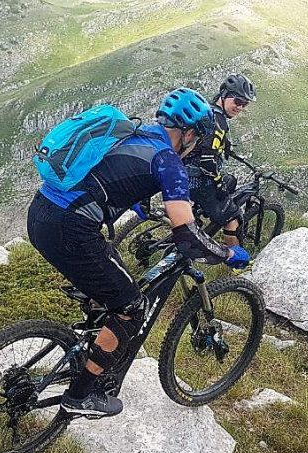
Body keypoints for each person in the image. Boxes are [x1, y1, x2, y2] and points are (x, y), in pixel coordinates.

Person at [27, 88, 250, 417]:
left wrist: (138, 201)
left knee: (111, 280)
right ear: (189, 134)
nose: (195, 146)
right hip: (70, 228)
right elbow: (187, 237)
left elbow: (117, 174)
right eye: (197, 139)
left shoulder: (135, 131)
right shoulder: (169, 162)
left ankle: (89, 343)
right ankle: (80, 396)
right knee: (132, 307)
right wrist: (228, 254)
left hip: (40, 213)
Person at [183, 74, 256, 247]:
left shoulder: (208, 111)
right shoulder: (218, 121)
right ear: (224, 95)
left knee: (230, 180)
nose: (240, 107)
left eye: (245, 104)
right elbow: (208, 162)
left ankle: (196, 218)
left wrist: (225, 145)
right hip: (197, 180)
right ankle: (235, 260)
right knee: (233, 218)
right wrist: (219, 185)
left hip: (182, 172)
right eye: (238, 101)